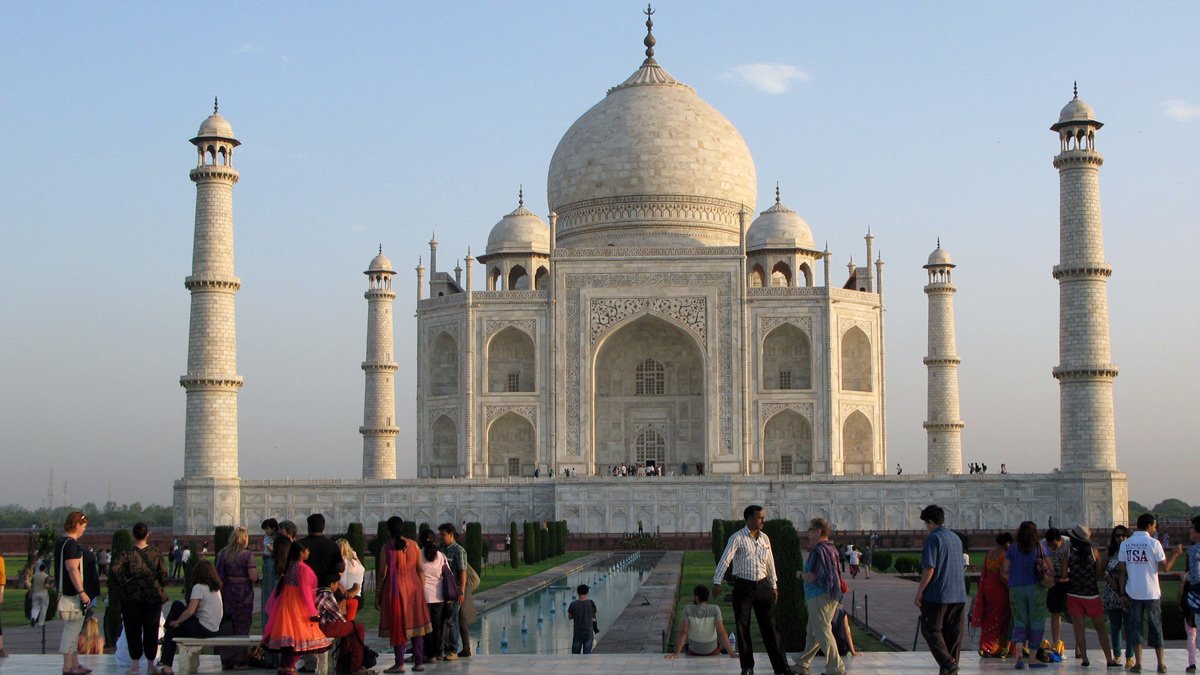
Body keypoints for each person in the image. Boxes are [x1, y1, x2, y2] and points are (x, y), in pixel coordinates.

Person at [713, 504, 795, 675]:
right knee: (743, 628)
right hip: (743, 586)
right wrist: (717, 581)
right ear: (750, 519)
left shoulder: (765, 538)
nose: (763, 520)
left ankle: (781, 667)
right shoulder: (737, 538)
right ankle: (747, 667)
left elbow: (770, 563)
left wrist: (774, 585)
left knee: (771, 628)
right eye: (760, 517)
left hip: (763, 586)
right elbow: (725, 560)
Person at [1118, 513, 1184, 674]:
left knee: (1136, 628)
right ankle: (1160, 663)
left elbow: (1121, 571)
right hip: (1151, 592)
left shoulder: (1126, 544)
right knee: (1156, 628)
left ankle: (1138, 663)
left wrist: (1121, 594)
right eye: (1154, 526)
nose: (1155, 529)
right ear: (1148, 526)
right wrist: (1175, 553)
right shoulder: (1153, 543)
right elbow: (1166, 568)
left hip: (1133, 591)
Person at [261, 540, 332, 674]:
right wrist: (312, 611)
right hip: (296, 607)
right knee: (298, 640)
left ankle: (285, 667)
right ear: (301, 553)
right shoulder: (302, 568)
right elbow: (306, 591)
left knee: (289, 641)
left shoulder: (290, 566)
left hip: (285, 606)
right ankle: (289, 668)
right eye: (307, 550)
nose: (309, 553)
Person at [109, 521, 169, 674]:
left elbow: (115, 568)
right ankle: (150, 665)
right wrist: (158, 585)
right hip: (152, 597)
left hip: (132, 597)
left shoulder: (127, 554)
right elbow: (163, 574)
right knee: (151, 630)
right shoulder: (155, 553)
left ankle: (134, 666)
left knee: (132, 631)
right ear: (148, 535)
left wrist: (125, 583)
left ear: (133, 535)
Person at [914, 504, 967, 675]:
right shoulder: (955, 538)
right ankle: (950, 668)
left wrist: (920, 591)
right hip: (958, 593)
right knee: (953, 633)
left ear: (930, 522)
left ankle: (947, 663)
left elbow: (930, 568)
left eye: (926, 523)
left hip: (939, 593)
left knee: (930, 628)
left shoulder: (933, 538)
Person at [376, 516, 431, 672]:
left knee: (398, 625)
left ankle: (399, 663)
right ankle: (419, 662)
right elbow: (420, 569)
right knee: (416, 626)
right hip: (414, 589)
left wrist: (378, 594)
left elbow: (381, 573)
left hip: (394, 590)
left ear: (388, 530)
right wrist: (421, 589)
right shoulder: (414, 545)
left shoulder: (387, 547)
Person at [158, 558, 224, 675]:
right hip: (213, 630)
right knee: (174, 631)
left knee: (176, 605)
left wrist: (178, 621)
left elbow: (190, 611)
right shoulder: (215, 589)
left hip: (203, 629)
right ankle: (166, 663)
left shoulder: (199, 587)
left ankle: (166, 664)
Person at [796, 517, 844, 675]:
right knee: (813, 631)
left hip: (819, 597)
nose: (808, 532)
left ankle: (836, 668)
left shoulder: (818, 550)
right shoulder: (831, 548)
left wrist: (800, 575)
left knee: (823, 631)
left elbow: (812, 576)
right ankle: (802, 664)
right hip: (828, 595)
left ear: (818, 531)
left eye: (810, 529)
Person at [1064, 524, 1115, 667]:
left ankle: (1085, 658)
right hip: (1091, 594)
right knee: (1101, 629)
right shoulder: (1094, 551)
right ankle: (1109, 660)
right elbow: (1098, 573)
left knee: (1078, 629)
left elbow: (1063, 574)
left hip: (1074, 593)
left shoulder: (1068, 553)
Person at [1003, 520, 1048, 669]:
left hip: (1016, 589)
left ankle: (1019, 657)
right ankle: (1033, 659)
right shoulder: (1039, 548)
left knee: (1019, 622)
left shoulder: (1012, 549)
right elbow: (1049, 568)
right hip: (1035, 588)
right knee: (1036, 621)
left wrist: (1014, 579)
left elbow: (1004, 570)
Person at [216, 526, 259, 669]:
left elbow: (219, 577)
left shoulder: (223, 554)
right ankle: (240, 662)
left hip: (228, 593)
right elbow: (253, 577)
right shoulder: (247, 555)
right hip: (244, 595)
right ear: (244, 539)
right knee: (242, 627)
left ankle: (227, 660)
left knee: (228, 626)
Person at [56, 511, 91, 675]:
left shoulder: (62, 542)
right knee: (71, 631)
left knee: (74, 630)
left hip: (67, 592)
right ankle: (68, 667)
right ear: (77, 525)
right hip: (73, 594)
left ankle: (74, 664)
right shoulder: (71, 544)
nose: (84, 530)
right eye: (83, 526)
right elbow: (72, 569)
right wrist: (82, 591)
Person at [971, 532, 1012, 658]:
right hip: (1000, 588)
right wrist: (1011, 587)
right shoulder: (1005, 554)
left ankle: (985, 646)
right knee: (1000, 617)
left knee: (989, 617)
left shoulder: (990, 552)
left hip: (988, 586)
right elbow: (1003, 575)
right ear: (1006, 543)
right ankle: (994, 647)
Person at [665, 585, 736, 659]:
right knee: (721, 642)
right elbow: (721, 632)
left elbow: (684, 632)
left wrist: (676, 653)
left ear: (696, 597)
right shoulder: (715, 609)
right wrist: (732, 654)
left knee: (685, 645)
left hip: (693, 651)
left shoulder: (688, 609)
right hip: (712, 650)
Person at [1102, 525, 1133, 668]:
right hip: (1112, 593)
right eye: (1117, 535)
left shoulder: (1131, 551)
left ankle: (1130, 657)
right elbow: (1101, 570)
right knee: (1116, 627)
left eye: (1123, 535)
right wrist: (1109, 580)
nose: (1120, 538)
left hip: (1128, 593)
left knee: (1128, 626)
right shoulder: (1110, 551)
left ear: (1127, 536)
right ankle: (1117, 656)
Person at [438, 523, 470, 660]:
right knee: (445, 620)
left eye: (443, 535)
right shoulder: (442, 550)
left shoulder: (459, 550)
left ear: (451, 534)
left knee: (452, 621)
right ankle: (444, 649)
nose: (441, 538)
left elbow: (463, 572)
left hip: (455, 591)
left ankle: (453, 650)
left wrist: (461, 592)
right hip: (443, 591)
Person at [418, 530, 449, 663]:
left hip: (424, 595)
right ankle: (438, 653)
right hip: (439, 595)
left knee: (426, 626)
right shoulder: (440, 555)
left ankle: (429, 655)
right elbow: (446, 572)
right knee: (438, 626)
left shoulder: (419, 554)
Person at [1041, 527, 1070, 656]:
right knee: (1055, 612)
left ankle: (1079, 647)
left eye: (1054, 545)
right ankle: (1055, 642)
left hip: (1068, 580)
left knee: (1075, 615)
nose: (1052, 548)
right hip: (1052, 582)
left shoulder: (1069, 543)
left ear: (1060, 540)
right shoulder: (1042, 544)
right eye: (1050, 546)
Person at [298, 514, 345, 590]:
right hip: (325, 588)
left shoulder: (300, 544)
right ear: (323, 528)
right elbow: (340, 568)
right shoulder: (332, 545)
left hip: (305, 587)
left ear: (308, 528)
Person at [1183, 515, 1200, 674]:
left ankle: (1194, 662)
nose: (1190, 530)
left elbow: (1195, 577)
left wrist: (1186, 577)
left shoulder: (1194, 550)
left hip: (1198, 596)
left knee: (1196, 630)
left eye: (1192, 527)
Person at [337, 538, 365, 617]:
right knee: (350, 623)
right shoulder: (356, 563)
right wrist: (356, 557)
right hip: (355, 597)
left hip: (342, 597)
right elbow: (362, 569)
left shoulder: (340, 562)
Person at [567, 584, 598, 655]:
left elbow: (569, 617)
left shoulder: (573, 604)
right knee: (586, 655)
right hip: (588, 632)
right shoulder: (591, 603)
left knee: (575, 654)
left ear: (578, 593)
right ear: (587, 592)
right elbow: (594, 616)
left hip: (577, 632)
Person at [261, 518, 280, 627]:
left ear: (273, 528)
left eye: (267, 529)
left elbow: (274, 552)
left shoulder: (277, 539)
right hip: (267, 563)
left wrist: (270, 547)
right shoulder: (268, 537)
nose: (266, 532)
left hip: (272, 565)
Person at [30, 560, 51, 627]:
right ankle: (41, 623)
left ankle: (33, 617)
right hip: (43, 593)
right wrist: (51, 586)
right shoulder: (46, 576)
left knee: (35, 607)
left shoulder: (35, 575)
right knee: (43, 608)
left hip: (35, 592)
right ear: (45, 569)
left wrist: (31, 593)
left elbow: (32, 585)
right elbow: (46, 585)